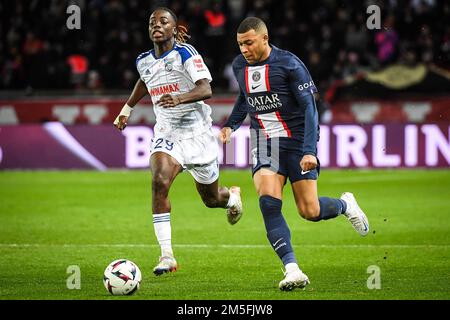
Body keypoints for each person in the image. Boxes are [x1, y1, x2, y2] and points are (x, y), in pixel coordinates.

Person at [219, 17, 369, 291]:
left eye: (249, 42)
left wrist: (310, 150)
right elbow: (244, 96)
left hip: (298, 141)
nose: (244, 49)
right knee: (268, 201)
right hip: (265, 141)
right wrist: (231, 124)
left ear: (265, 38)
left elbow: (310, 109)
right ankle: (292, 269)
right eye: (240, 44)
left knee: (309, 211)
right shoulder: (239, 65)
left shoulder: (289, 64)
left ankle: (346, 205)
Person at [114, 7, 243, 276]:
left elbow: (206, 88)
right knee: (159, 181)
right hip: (167, 134)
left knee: (211, 199)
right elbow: (144, 80)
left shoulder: (186, 53)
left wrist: (179, 98)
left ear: (174, 29)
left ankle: (232, 198)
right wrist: (127, 108)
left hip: (198, 135)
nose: (157, 25)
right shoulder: (143, 60)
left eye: (163, 21)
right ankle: (167, 255)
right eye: (152, 22)